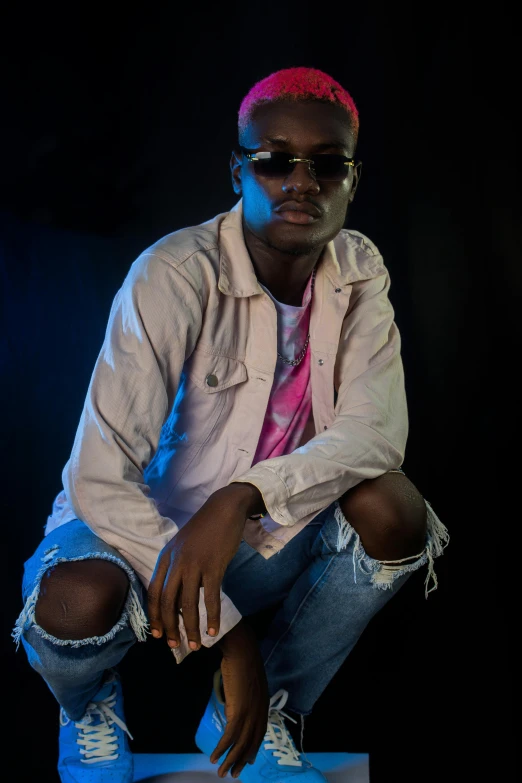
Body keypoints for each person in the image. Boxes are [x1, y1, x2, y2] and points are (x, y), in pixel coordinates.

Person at [13, 66, 449, 783]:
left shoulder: (360, 270)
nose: (301, 182)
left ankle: (258, 706)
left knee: (394, 509)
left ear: (352, 177)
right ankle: (87, 704)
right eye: (275, 159)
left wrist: (240, 495)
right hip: (130, 537)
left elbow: (376, 434)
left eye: (327, 164)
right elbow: (97, 474)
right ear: (238, 171)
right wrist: (231, 633)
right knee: (74, 602)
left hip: (252, 536)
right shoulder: (173, 272)